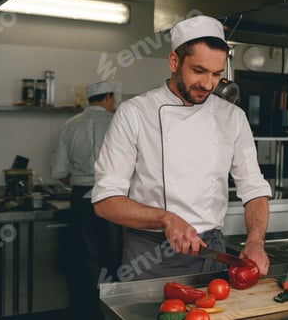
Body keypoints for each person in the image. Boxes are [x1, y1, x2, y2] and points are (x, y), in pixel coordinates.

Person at [92, 15, 272, 281]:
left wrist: (256, 241)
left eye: (216, 74)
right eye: (199, 71)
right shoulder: (135, 114)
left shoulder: (233, 117)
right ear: (174, 61)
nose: (209, 84)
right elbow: (106, 202)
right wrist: (165, 219)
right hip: (149, 256)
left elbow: (254, 189)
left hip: (212, 252)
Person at [51, 81, 121, 320]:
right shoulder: (117, 123)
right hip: (115, 198)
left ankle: (88, 312)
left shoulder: (69, 126)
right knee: (115, 257)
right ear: (108, 97)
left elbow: (58, 171)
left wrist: (79, 181)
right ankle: (115, 312)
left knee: (86, 259)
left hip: (80, 198)